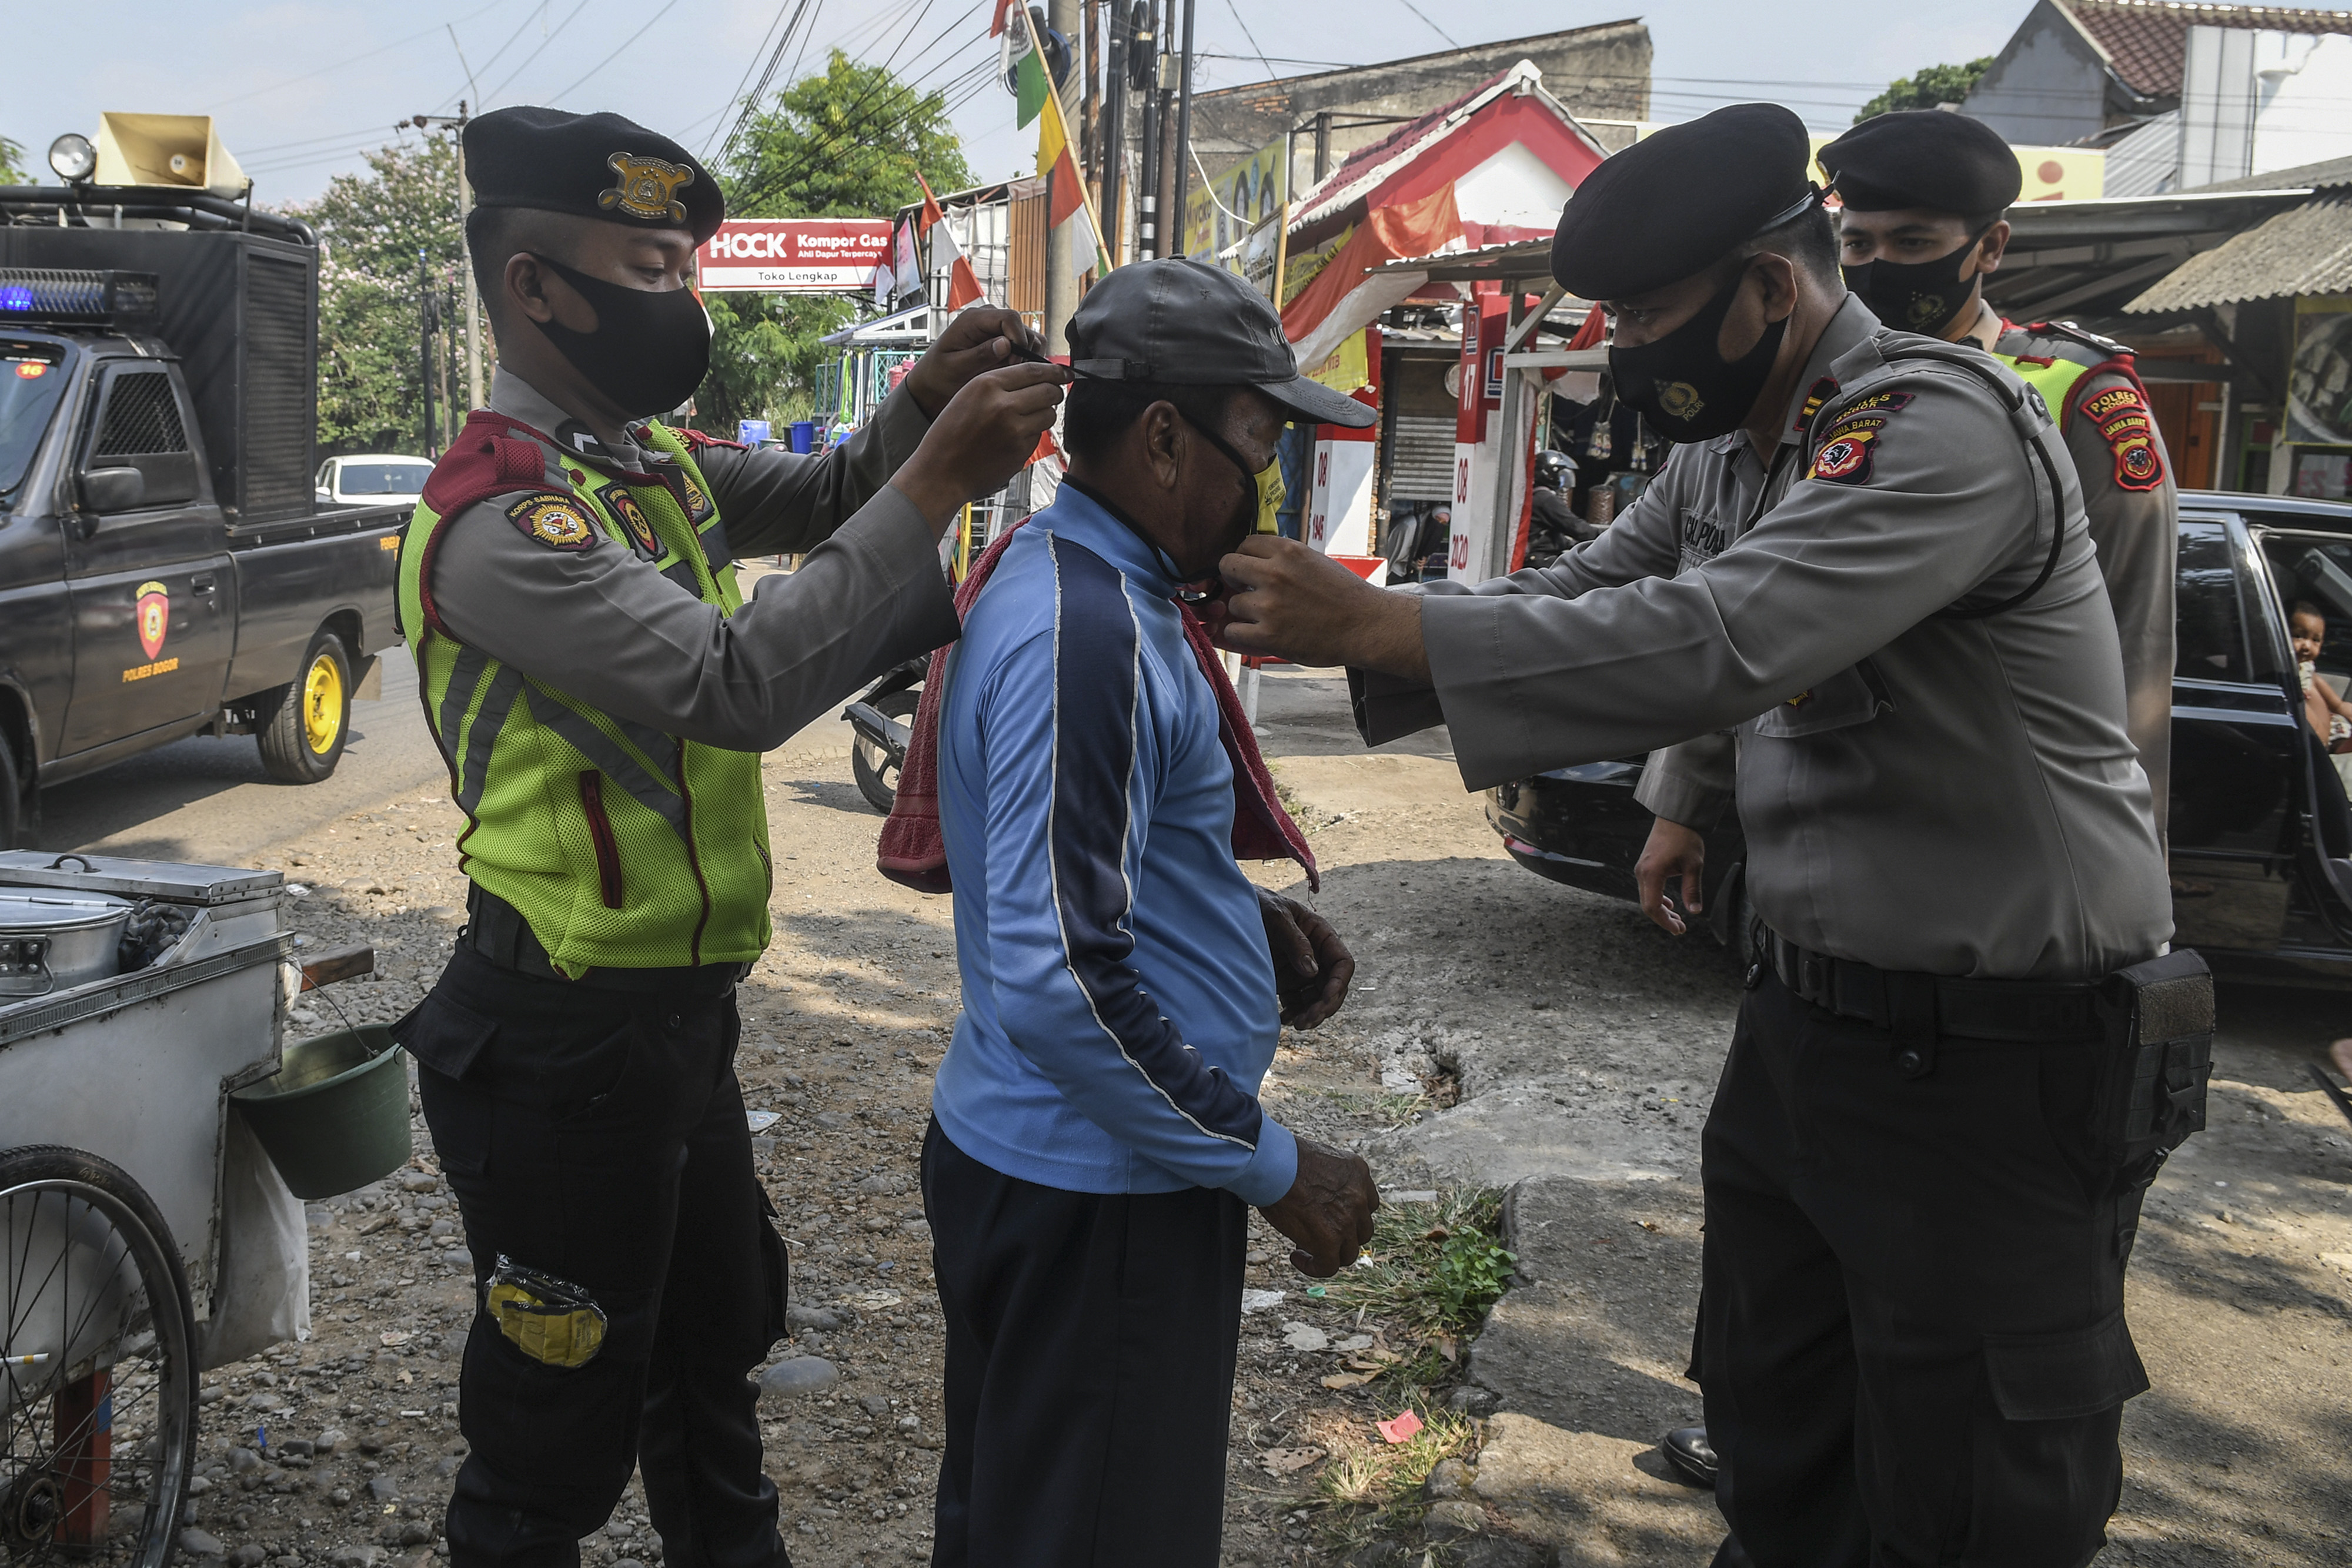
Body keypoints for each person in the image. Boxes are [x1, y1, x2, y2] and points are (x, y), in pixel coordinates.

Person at [1204, 104, 2175, 1566]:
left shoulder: (1938, 426)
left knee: (1968, 1497)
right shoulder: (1733, 451)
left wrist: (1388, 628)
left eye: (1649, 318)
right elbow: (1587, 588)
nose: (1626, 351)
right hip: (1808, 1023)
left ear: (1767, 289)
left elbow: (1724, 634)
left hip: (1996, 1054)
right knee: (1777, 1444)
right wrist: (1361, 624)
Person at [387, 106, 1064, 1568]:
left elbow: (827, 496)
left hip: (673, 1025)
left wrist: (918, 404)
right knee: (549, 1444)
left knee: (711, 1366)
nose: (679, 300)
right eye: (647, 269)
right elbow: (733, 684)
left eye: (684, 269)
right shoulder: (504, 521)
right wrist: (941, 475)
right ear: (535, 288)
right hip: (557, 1037)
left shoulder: (645, 467)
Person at [1635, 105, 2187, 1485]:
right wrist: (1686, 794)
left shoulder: (2062, 402)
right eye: (1859, 239)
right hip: (1831, 899)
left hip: (2005, 918)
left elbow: (2125, 675)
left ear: (1986, 247)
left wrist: (2106, 901)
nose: (1880, 266)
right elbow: (1730, 606)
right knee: (1795, 1305)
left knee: (1981, 1362)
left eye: (1913, 241)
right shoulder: (1804, 408)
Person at [921, 258, 1381, 1567]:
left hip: (1074, 1170)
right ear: (1166, 438)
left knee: (1030, 1518)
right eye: (1259, 445)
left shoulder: (1076, 574)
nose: (1266, 486)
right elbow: (1059, 981)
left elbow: (1073, 860)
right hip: (1100, 1193)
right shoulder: (1091, 629)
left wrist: (1224, 913)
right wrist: (1279, 1168)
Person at [2292, 600, 2352, 757]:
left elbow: (2337, 704)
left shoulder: (2307, 670)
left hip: (2334, 735)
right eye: (2298, 636)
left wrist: (2343, 709)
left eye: (2316, 640)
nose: (2307, 646)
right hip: (2317, 751)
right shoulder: (2282, 675)